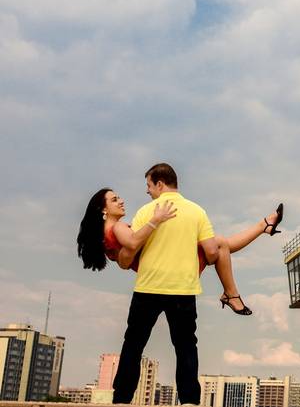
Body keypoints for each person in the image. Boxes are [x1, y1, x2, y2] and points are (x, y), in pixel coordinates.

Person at [76, 163, 283, 405]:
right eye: (115, 199)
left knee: (134, 343)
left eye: (149, 186)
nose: (146, 192)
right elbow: (129, 250)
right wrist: (161, 225)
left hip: (149, 285)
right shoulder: (192, 211)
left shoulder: (140, 214)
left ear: (160, 184)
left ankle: (121, 398)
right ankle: (189, 400)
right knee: (185, 346)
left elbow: (124, 259)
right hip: (181, 284)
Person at [77, 184, 283, 316]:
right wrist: (155, 220)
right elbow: (132, 245)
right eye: (114, 199)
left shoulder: (104, 236)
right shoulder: (119, 227)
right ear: (103, 209)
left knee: (221, 245)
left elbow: (125, 257)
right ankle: (231, 293)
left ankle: (264, 226)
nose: (121, 201)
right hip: (168, 267)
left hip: (157, 270)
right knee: (220, 244)